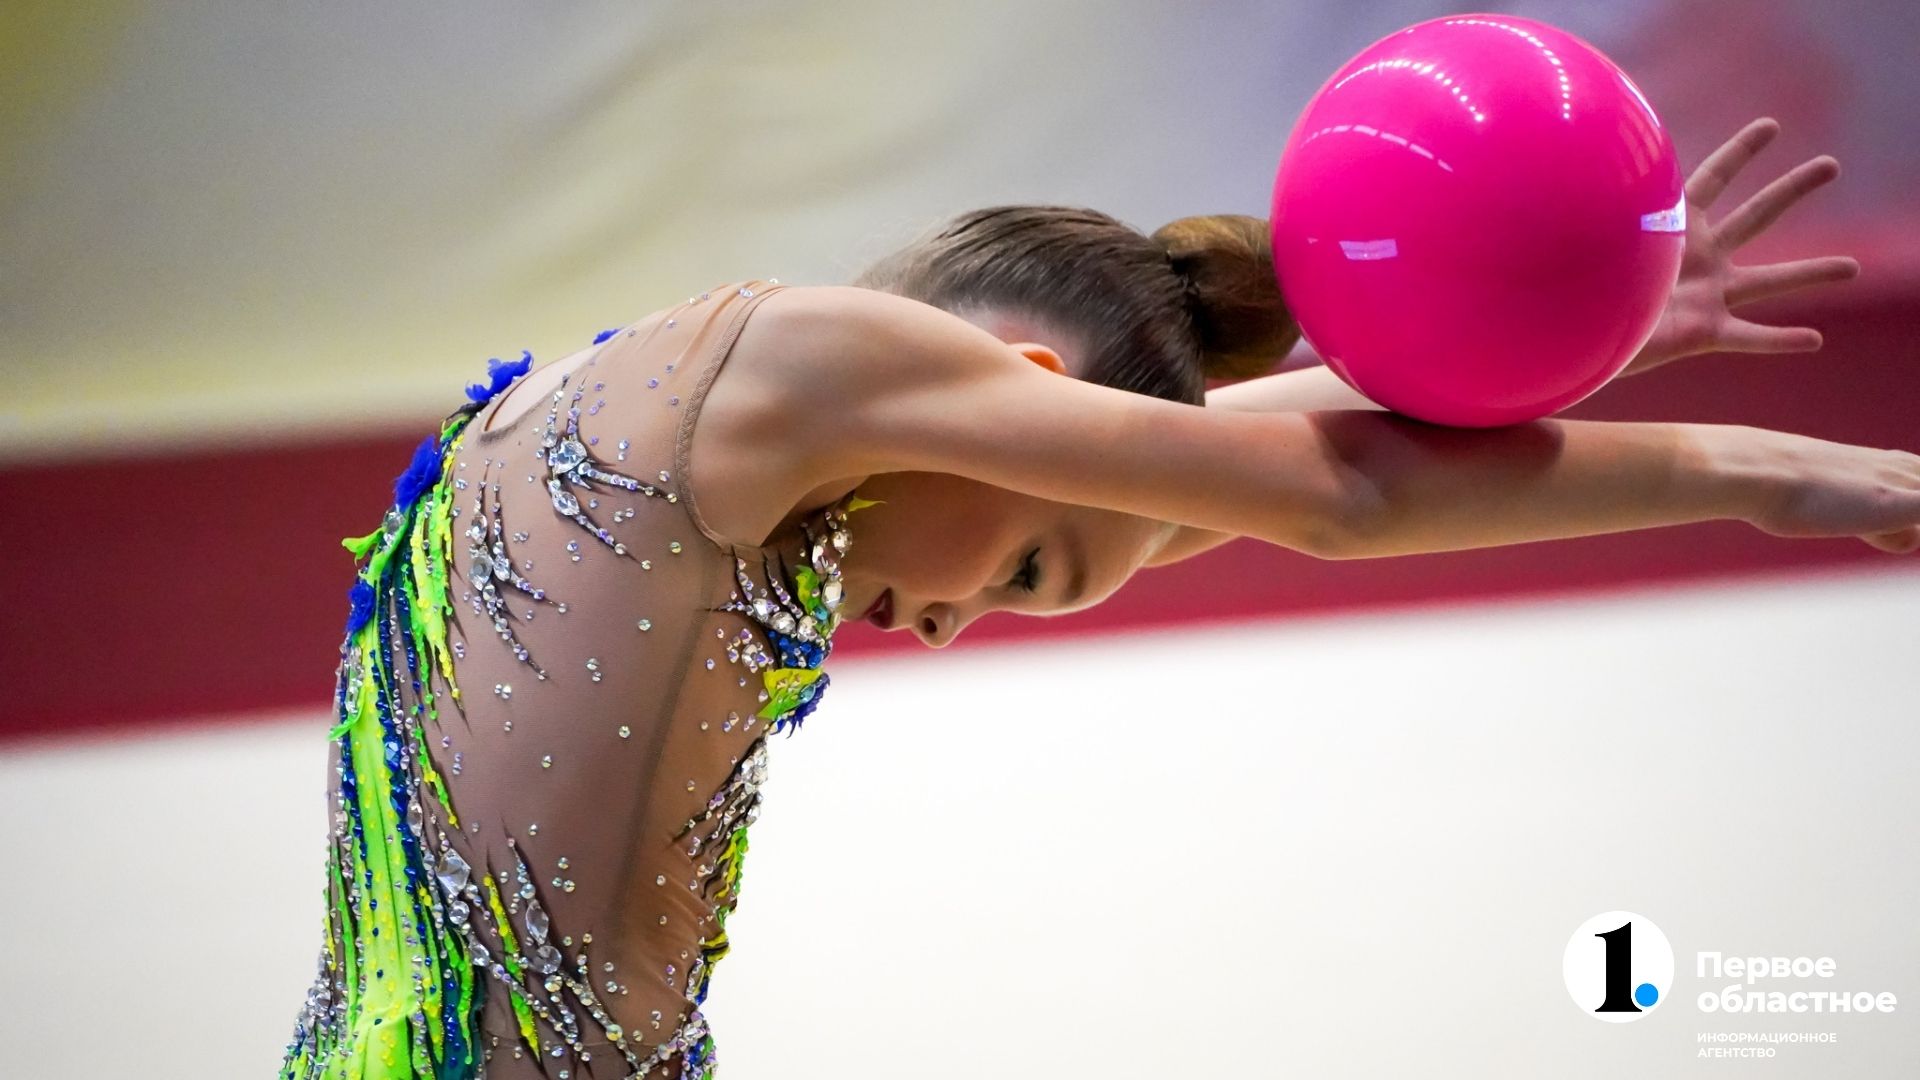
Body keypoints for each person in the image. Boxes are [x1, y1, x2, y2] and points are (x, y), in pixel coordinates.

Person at [279, 118, 1913, 1079]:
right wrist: (1771, 474)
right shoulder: (815, 356)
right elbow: (1336, 497)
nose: (947, 625)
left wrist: (1563, 335)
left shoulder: (709, 421)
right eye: (1025, 570)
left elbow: (1289, 454)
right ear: (1027, 391)